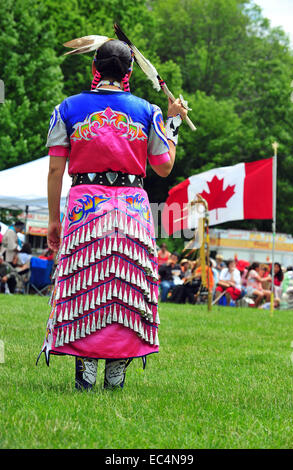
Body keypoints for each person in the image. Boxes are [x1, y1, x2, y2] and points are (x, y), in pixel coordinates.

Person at [36, 37, 188, 391]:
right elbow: (164, 168)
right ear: (129, 72)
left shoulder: (68, 108)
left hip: (85, 205)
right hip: (131, 208)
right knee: (125, 282)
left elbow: (56, 171)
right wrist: (174, 123)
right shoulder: (147, 111)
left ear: (95, 69)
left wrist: (54, 219)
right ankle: (117, 365)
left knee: (85, 282)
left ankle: (86, 362)